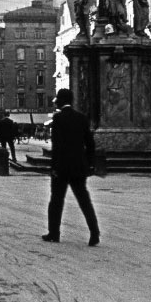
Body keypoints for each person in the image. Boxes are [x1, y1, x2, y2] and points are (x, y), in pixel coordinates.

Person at [42, 88, 100, 247]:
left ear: (60, 101)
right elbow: (90, 143)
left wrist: (54, 167)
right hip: (78, 166)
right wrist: (89, 163)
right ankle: (94, 232)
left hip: (61, 167)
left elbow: (57, 146)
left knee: (56, 201)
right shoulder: (82, 118)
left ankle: (54, 233)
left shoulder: (58, 118)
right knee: (84, 200)